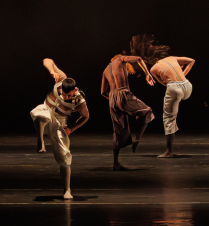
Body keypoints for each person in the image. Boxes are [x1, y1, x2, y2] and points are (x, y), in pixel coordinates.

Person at [30, 58, 89, 199]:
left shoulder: (79, 101)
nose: (65, 97)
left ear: (75, 90)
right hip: (46, 111)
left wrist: (71, 129)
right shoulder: (61, 79)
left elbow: (86, 117)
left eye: (68, 95)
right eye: (63, 94)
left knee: (65, 157)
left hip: (59, 124)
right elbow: (46, 60)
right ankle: (40, 142)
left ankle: (67, 190)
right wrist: (52, 71)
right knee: (41, 115)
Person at [102, 35, 157, 170]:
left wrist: (116, 102)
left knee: (118, 132)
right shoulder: (120, 59)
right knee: (148, 112)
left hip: (112, 98)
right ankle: (137, 138)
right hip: (123, 93)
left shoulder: (105, 70)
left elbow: (103, 92)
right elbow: (138, 59)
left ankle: (115, 164)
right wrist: (147, 74)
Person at [146, 48, 195, 158]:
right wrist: (183, 74)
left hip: (175, 89)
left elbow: (164, 83)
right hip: (187, 86)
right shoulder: (172, 58)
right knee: (176, 104)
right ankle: (168, 151)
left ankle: (169, 152)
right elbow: (192, 60)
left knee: (168, 118)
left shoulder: (153, 69)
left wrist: (173, 83)